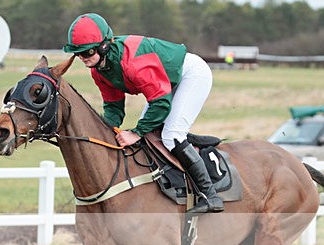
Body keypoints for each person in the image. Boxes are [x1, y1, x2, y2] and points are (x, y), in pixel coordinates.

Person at [63, 13, 223, 213]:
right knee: (148, 136)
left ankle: (210, 195)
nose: (83, 58)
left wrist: (135, 132)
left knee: (172, 136)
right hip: (165, 82)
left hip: (190, 74)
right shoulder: (99, 69)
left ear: (104, 46)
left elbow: (161, 103)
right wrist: (106, 132)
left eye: (87, 52)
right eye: (78, 54)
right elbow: (113, 106)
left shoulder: (132, 63)